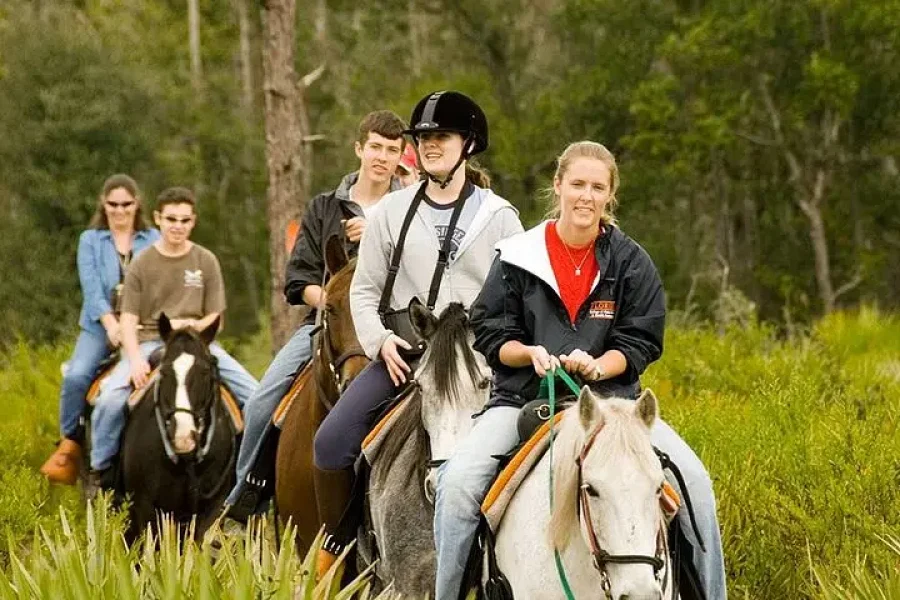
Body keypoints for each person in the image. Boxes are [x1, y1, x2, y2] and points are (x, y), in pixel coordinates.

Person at [437, 140, 727, 600]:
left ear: (609, 194)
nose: (586, 196)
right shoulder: (516, 256)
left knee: (695, 485)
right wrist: (529, 353)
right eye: (577, 184)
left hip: (616, 408)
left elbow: (639, 342)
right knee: (456, 485)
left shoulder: (632, 262)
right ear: (558, 186)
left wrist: (597, 365)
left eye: (597, 187)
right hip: (521, 401)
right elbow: (492, 334)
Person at [312, 90, 524, 573]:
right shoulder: (391, 212)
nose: (430, 144)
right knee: (330, 443)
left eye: (441, 136)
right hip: (406, 352)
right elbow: (364, 293)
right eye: (424, 137)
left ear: (468, 144)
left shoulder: (501, 217)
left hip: (478, 359)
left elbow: (518, 298)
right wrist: (381, 341)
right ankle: (344, 549)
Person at [222, 110, 408, 520]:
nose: (381, 157)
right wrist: (334, 303)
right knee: (261, 401)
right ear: (359, 149)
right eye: (374, 147)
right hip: (328, 324)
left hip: (393, 328)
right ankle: (244, 500)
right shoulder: (324, 208)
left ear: (401, 157)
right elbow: (298, 279)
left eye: (391, 150)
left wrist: (378, 227)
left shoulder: (408, 208)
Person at [87, 186, 259, 490]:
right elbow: (128, 319)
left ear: (193, 221)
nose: (177, 226)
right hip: (152, 342)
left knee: (256, 396)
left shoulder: (205, 260)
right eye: (171, 219)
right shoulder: (142, 263)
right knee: (111, 400)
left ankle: (250, 476)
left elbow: (216, 317)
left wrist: (187, 326)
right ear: (158, 219)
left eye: (184, 220)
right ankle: (101, 474)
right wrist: (136, 360)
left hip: (200, 344)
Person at [40, 175, 160, 485]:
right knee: (78, 375)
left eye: (126, 204)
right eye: (113, 205)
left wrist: (133, 325)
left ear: (137, 205)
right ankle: (70, 444)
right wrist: (112, 325)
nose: (119, 211)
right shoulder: (90, 240)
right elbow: (91, 290)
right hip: (99, 325)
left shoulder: (153, 238)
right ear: (103, 205)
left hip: (146, 325)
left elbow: (161, 283)